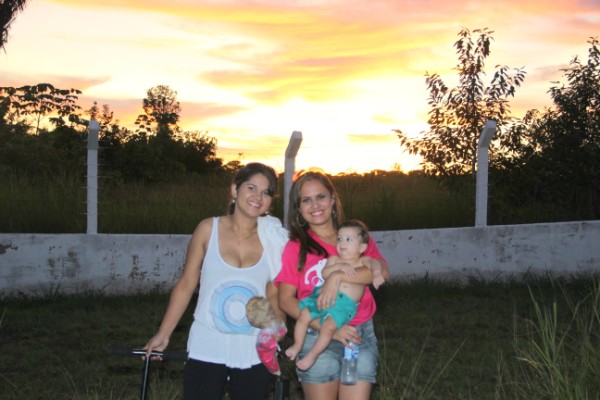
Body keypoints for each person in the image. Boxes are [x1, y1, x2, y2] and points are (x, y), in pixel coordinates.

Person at [144, 162, 289, 400]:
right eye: (251, 187)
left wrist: (276, 329)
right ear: (234, 189)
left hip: (253, 348)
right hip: (207, 343)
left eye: (266, 192)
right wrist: (164, 333)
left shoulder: (274, 238)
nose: (258, 197)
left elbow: (274, 293)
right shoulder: (207, 229)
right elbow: (187, 284)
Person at [275, 169, 390, 400]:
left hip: (359, 334)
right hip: (315, 332)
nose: (315, 205)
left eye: (321, 197)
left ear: (333, 199)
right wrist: (329, 329)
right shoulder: (296, 247)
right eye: (306, 200)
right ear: (298, 208)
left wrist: (337, 277)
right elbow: (285, 300)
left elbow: (380, 271)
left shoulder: (354, 236)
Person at [285, 219, 385, 371]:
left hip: (343, 305)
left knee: (329, 327)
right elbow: (325, 273)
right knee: (304, 314)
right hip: (322, 297)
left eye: (348, 239)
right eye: (339, 239)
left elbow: (375, 264)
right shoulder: (334, 259)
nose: (342, 243)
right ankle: (297, 345)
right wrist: (339, 267)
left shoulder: (363, 261)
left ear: (362, 247)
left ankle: (312, 355)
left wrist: (377, 274)